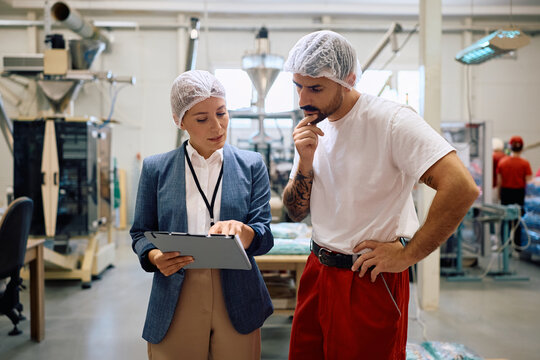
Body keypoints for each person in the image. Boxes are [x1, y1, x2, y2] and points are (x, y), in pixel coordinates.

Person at [281, 30, 479, 360]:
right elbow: (296, 211)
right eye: (298, 86)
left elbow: (461, 187)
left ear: (348, 79)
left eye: (315, 87)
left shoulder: (390, 121)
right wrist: (304, 162)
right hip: (318, 270)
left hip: (367, 279)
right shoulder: (315, 124)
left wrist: (409, 254)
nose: (303, 99)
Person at [130, 70, 274, 360]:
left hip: (237, 290)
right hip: (176, 289)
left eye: (222, 113)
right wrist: (156, 257)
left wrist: (245, 233)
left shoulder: (251, 165)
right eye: (202, 118)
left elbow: (264, 233)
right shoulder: (156, 169)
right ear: (179, 120)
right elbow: (140, 232)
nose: (217, 126)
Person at [496, 135, 532, 247]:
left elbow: (499, 182)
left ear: (510, 148)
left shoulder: (502, 163)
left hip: (505, 193)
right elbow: (529, 182)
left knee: (504, 219)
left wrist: (499, 195)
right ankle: (518, 246)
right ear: (521, 148)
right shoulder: (525, 164)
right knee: (518, 220)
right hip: (519, 194)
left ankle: (504, 245)